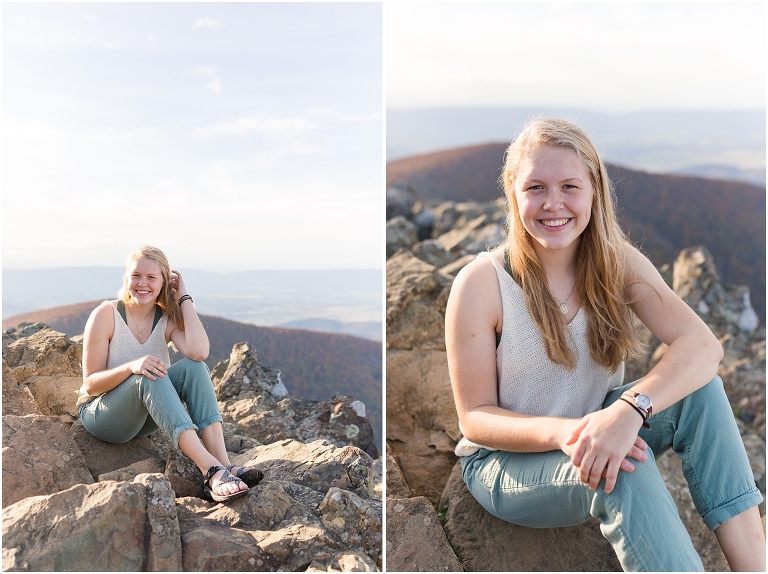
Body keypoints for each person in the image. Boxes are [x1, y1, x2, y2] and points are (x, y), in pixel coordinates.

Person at [445, 118, 765, 571]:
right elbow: (475, 418)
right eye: (535, 187)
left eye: (569, 186)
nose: (553, 203)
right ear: (512, 195)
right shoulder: (482, 283)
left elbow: (703, 346)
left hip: (600, 424)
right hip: (506, 465)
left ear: (594, 191)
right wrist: (574, 435)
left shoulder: (617, 263)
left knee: (703, 392)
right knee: (619, 470)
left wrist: (628, 410)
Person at [78, 245, 262, 503]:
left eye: (152, 277)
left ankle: (224, 465)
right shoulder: (107, 314)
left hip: (144, 419)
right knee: (147, 373)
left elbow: (199, 352)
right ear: (127, 278)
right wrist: (132, 366)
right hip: (104, 415)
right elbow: (90, 385)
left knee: (194, 368)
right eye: (136, 276)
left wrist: (184, 298)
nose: (142, 283)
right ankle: (210, 470)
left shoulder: (164, 317)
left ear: (165, 282)